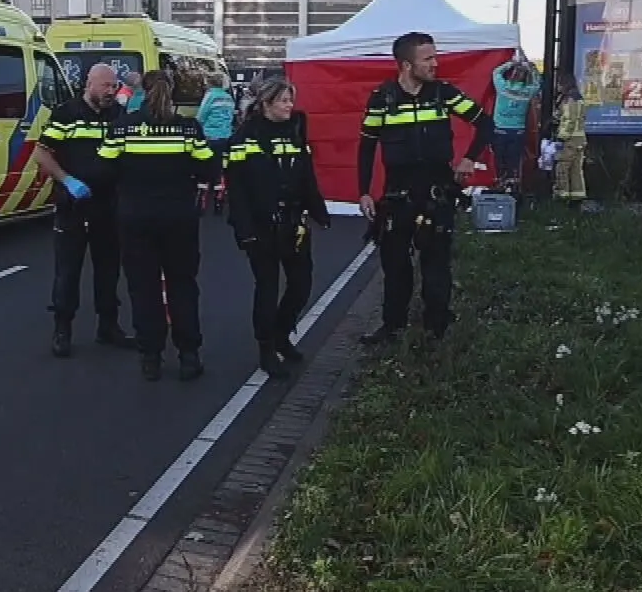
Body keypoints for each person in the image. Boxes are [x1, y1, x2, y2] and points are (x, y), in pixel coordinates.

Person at [356, 32, 494, 344]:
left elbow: (485, 123)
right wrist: (363, 191)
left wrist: (469, 159)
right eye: (428, 58)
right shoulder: (383, 98)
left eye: (435, 56)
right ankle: (392, 328)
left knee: (436, 264)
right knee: (395, 265)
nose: (436, 63)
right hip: (398, 193)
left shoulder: (443, 93)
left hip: (437, 190)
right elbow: (367, 146)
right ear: (406, 65)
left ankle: (437, 330)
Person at [96, 70, 219, 381]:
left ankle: (150, 356)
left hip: (135, 217)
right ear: (172, 91)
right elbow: (208, 169)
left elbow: (103, 168)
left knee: (143, 288)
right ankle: (188, 355)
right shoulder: (188, 129)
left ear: (142, 91)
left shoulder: (124, 126)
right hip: (179, 217)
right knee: (183, 285)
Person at [226, 79, 330, 380]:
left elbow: (306, 175)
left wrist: (318, 211)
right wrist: (244, 230)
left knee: (301, 285)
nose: (289, 106)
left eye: (290, 100)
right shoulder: (246, 137)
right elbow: (238, 190)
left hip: (293, 223)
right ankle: (267, 348)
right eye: (283, 101)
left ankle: (283, 332)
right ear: (267, 104)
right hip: (261, 226)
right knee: (268, 288)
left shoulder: (296, 132)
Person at [35, 62, 134, 357]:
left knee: (108, 270)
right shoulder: (67, 114)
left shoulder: (117, 114)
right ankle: (62, 329)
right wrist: (67, 180)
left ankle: (108, 326)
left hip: (108, 205)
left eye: (114, 86)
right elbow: (41, 153)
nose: (110, 91)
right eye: (105, 86)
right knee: (68, 271)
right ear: (89, 84)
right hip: (74, 206)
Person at [490, 53, 540, 189]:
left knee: (499, 160)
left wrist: (511, 63)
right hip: (517, 131)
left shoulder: (503, 87)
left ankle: (499, 182)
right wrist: (531, 69)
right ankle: (513, 186)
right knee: (514, 161)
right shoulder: (528, 91)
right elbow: (537, 82)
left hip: (499, 129)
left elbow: (496, 72)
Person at [196, 73, 237, 214]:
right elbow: (231, 116)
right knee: (219, 168)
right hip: (226, 137)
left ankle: (202, 200)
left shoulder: (210, 96)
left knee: (205, 167)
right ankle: (219, 198)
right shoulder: (228, 98)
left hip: (210, 136)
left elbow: (201, 115)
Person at [553, 71, 589, 207]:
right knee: (576, 170)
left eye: (559, 83)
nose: (557, 86)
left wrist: (561, 137)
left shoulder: (569, 99)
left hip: (570, 140)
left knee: (562, 168)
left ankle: (561, 197)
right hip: (580, 140)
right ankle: (577, 198)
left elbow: (569, 120)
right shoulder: (578, 98)